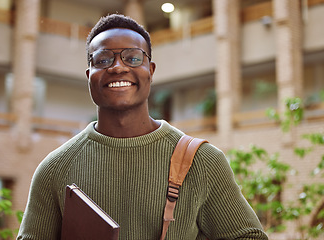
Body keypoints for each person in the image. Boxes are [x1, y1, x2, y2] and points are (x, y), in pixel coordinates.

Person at [17, 14, 268, 240]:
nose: (118, 67)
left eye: (133, 58)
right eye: (103, 59)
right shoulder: (54, 169)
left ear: (151, 70)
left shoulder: (202, 162)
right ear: (89, 75)